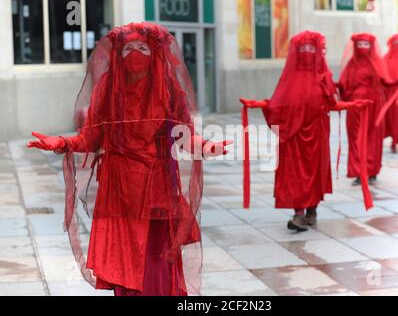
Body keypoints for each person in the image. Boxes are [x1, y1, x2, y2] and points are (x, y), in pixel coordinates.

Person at [27, 22, 231, 296]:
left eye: (143, 48)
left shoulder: (168, 89)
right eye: (128, 48)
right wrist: (62, 143)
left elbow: (184, 136)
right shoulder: (107, 89)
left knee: (155, 264)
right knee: (124, 265)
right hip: (119, 192)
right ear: (117, 53)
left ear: (155, 52)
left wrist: (207, 147)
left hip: (157, 191)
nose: (135, 54)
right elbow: (90, 139)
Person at [241, 31, 372, 232]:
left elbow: (331, 105)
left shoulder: (323, 77)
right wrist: (257, 104)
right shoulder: (289, 77)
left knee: (315, 173)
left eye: (311, 49)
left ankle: (312, 209)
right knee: (294, 175)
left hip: (317, 135)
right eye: (302, 49)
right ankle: (299, 213)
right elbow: (277, 104)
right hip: (293, 137)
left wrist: (354, 105)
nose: (307, 53)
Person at [339, 33, 398, 187]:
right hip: (355, 106)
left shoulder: (377, 62)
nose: (362, 48)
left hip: (373, 105)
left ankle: (372, 170)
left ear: (371, 46)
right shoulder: (351, 64)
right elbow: (343, 83)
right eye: (360, 45)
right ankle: (359, 171)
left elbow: (386, 81)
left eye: (366, 45)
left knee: (373, 138)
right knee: (356, 138)